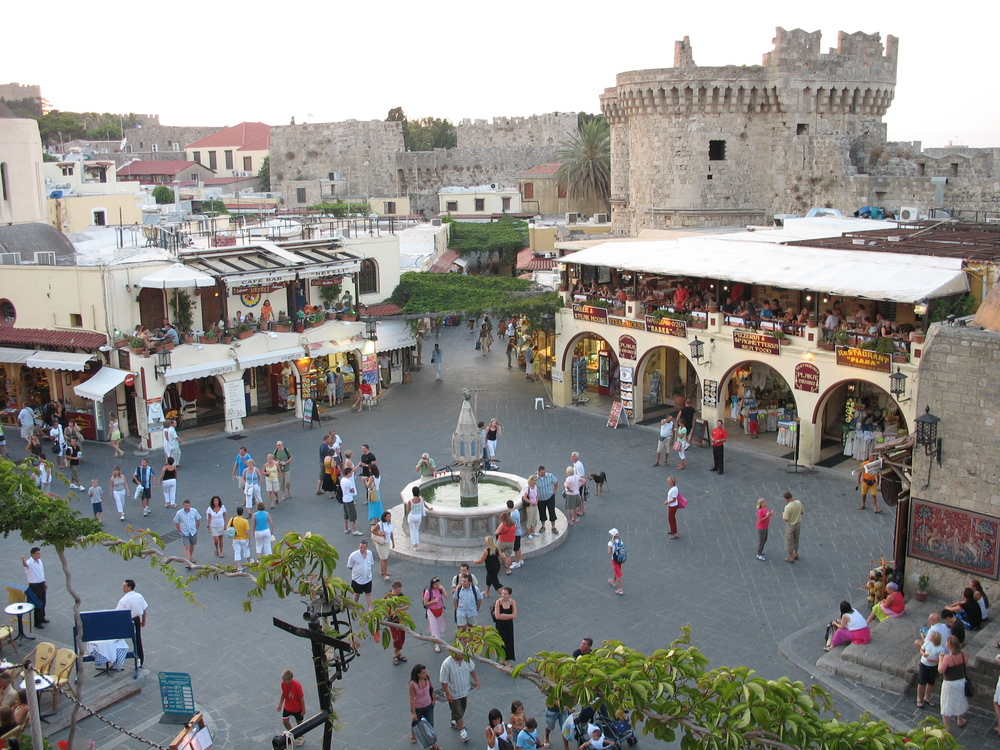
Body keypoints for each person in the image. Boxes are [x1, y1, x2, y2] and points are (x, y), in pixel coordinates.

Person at [440, 650, 480, 743]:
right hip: (454, 694)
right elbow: (443, 681)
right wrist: (448, 694)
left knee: (462, 708)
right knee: (459, 711)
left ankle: (454, 720)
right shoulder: (446, 664)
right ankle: (462, 730)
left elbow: (472, 669)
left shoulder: (466, 659)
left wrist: (476, 680)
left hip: (464, 691)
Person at [938, 635, 969, 732]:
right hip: (961, 681)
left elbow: (941, 670)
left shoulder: (947, 658)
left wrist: (940, 659)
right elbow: (966, 663)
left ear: (949, 646)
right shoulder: (963, 654)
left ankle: (946, 728)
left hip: (950, 684)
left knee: (947, 703)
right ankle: (960, 720)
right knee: (960, 700)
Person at [408, 664, 442, 750]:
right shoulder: (412, 684)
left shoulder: (427, 678)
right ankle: (413, 734)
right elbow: (411, 699)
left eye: (425, 672)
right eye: (423, 673)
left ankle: (433, 744)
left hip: (428, 705)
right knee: (416, 723)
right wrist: (413, 713)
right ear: (418, 674)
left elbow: (431, 688)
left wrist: (433, 699)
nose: (425, 674)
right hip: (418, 707)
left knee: (430, 725)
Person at [116, 579, 148, 667]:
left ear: (129, 587)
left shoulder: (124, 600)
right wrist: (143, 620)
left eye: (124, 586)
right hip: (137, 619)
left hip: (127, 621)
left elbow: (117, 613)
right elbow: (144, 609)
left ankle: (116, 657)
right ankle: (140, 659)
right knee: (138, 639)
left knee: (117, 638)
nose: (123, 588)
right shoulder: (139, 596)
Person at [915, 629, 947, 709]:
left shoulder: (940, 649)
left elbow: (941, 660)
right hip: (924, 664)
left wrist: (934, 660)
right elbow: (921, 650)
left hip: (933, 666)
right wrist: (923, 654)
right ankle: (919, 698)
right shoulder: (928, 643)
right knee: (921, 682)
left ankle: (927, 697)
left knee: (931, 683)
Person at [277, 669, 306, 746]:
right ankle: (293, 734)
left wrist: (303, 710)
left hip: (297, 707)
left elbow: (301, 698)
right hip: (288, 706)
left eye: (285, 680)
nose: (283, 681)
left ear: (290, 679)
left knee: (299, 722)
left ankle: (301, 736)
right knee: (285, 721)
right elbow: (283, 694)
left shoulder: (297, 685)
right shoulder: (283, 684)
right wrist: (280, 704)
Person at [384, 580, 410, 665]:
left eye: (400, 590)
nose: (399, 592)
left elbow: (407, 606)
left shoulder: (401, 596)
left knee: (402, 637)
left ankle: (398, 653)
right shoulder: (388, 597)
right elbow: (383, 607)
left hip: (401, 619)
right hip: (392, 621)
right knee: (397, 638)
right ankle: (395, 654)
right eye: (398, 590)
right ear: (394, 589)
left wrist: (398, 609)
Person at [21, 547, 48, 628]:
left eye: (39, 553)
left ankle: (42, 617)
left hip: (41, 584)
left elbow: (41, 572)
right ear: (32, 554)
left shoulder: (40, 561)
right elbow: (26, 565)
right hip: (34, 586)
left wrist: (44, 582)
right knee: (38, 604)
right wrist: (23, 560)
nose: (39, 555)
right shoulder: (29, 562)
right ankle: (37, 622)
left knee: (43, 602)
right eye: (37, 553)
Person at [346, 538, 375, 610]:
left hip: (368, 579)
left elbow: (370, 563)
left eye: (364, 548)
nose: (362, 549)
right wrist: (357, 571)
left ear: (367, 547)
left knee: (368, 593)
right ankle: (356, 604)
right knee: (357, 594)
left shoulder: (370, 553)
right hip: (357, 579)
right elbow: (349, 566)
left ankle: (370, 608)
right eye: (361, 547)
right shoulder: (353, 555)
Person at [422, 577, 449, 651]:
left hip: (439, 609)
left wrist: (443, 589)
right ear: (432, 584)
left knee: (439, 624)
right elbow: (425, 603)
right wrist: (434, 601)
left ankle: (434, 635)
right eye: (436, 584)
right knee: (434, 625)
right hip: (431, 610)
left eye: (438, 584)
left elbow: (447, 596)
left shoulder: (440, 589)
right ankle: (437, 643)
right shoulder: (428, 592)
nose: (438, 585)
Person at [492, 586, 517, 666]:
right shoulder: (498, 602)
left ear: (509, 595)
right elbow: (497, 616)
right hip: (500, 626)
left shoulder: (512, 602)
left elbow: (514, 615)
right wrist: (508, 616)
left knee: (509, 642)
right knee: (502, 642)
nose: (503, 595)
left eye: (505, 594)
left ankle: (506, 659)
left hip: (509, 626)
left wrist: (503, 615)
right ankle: (505, 661)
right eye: (502, 594)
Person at [173, 499, 202, 565]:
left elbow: (198, 519)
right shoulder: (179, 513)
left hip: (193, 531)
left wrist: (196, 529)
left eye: (188, 505)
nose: (187, 507)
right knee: (186, 547)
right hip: (185, 532)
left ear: (190, 505)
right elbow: (176, 522)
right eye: (185, 505)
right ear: (183, 506)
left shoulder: (194, 511)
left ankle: (190, 556)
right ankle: (188, 562)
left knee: (192, 544)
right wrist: (179, 530)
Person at [371, 510, 395, 581]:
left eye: (390, 516)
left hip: (387, 542)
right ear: (384, 517)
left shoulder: (390, 524)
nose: (389, 518)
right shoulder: (380, 524)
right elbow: (373, 530)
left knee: (384, 558)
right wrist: (380, 534)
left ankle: (382, 571)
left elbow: (391, 533)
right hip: (381, 543)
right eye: (388, 517)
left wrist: (393, 542)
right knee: (384, 559)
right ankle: (385, 574)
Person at [535, 465, 558, 535]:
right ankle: (543, 526)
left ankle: (553, 527)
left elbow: (556, 481)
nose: (543, 473)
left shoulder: (549, 476)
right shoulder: (535, 478)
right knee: (542, 512)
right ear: (538, 472)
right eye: (542, 472)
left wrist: (555, 490)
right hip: (541, 499)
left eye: (544, 472)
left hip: (550, 497)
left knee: (552, 511)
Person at [406, 486, 432, 550]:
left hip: (412, 516)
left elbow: (408, 510)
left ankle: (414, 545)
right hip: (418, 516)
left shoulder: (410, 501)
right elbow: (424, 505)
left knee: (412, 530)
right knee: (416, 530)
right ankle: (417, 544)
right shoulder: (421, 499)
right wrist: (429, 508)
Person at [782, 490, 803, 563]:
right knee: (796, 538)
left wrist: (783, 515)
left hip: (791, 525)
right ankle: (796, 553)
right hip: (798, 523)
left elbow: (786, 519)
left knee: (789, 540)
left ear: (786, 498)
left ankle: (790, 557)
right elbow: (802, 512)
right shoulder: (798, 503)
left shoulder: (788, 507)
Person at [340, 465, 361, 535]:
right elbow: (352, 490)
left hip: (344, 499)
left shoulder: (342, 480)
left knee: (346, 514)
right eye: (351, 473)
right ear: (348, 473)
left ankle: (346, 528)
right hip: (349, 499)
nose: (352, 474)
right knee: (352, 515)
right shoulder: (349, 482)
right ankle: (354, 530)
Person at [608, 528, 625, 595]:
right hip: (620, 558)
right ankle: (613, 581)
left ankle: (620, 589)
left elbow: (609, 552)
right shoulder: (620, 541)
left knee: (618, 574)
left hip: (614, 559)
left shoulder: (611, 543)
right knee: (617, 570)